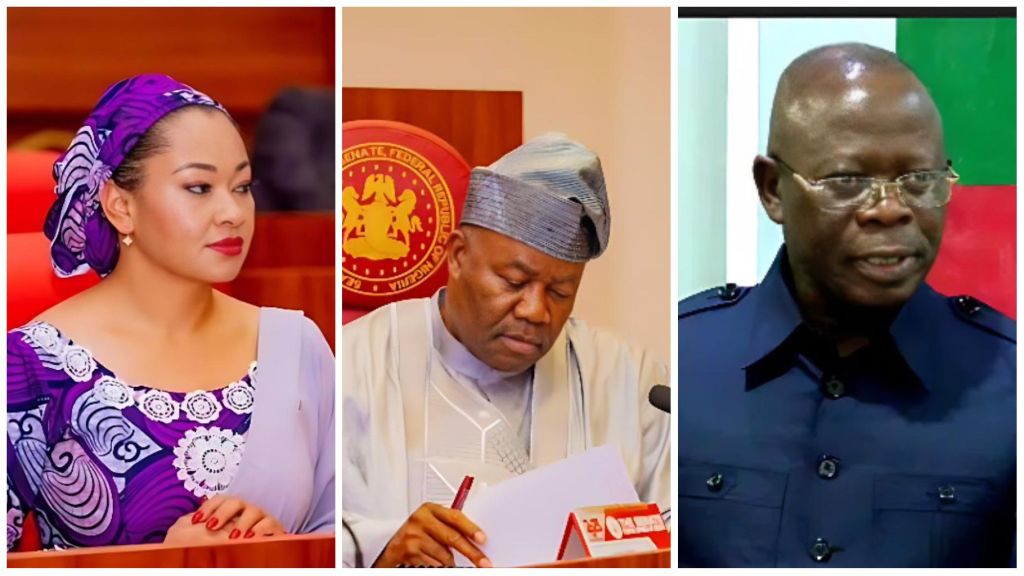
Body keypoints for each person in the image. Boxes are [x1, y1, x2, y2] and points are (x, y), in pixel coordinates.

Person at [677, 43, 1014, 567]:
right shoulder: (679, 365)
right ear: (772, 190)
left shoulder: (1008, 382)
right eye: (847, 182)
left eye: (920, 180)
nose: (890, 210)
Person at [6, 74, 334, 551]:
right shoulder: (31, 366)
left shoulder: (295, 344)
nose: (233, 213)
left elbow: (349, 537)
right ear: (120, 206)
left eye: (242, 187)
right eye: (199, 187)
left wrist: (280, 548)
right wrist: (164, 561)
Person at [342, 133, 670, 568]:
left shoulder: (631, 379)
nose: (536, 311)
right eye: (514, 283)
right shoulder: (355, 362)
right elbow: (310, 532)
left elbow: (674, 533)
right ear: (458, 256)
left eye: (560, 291)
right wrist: (382, 547)